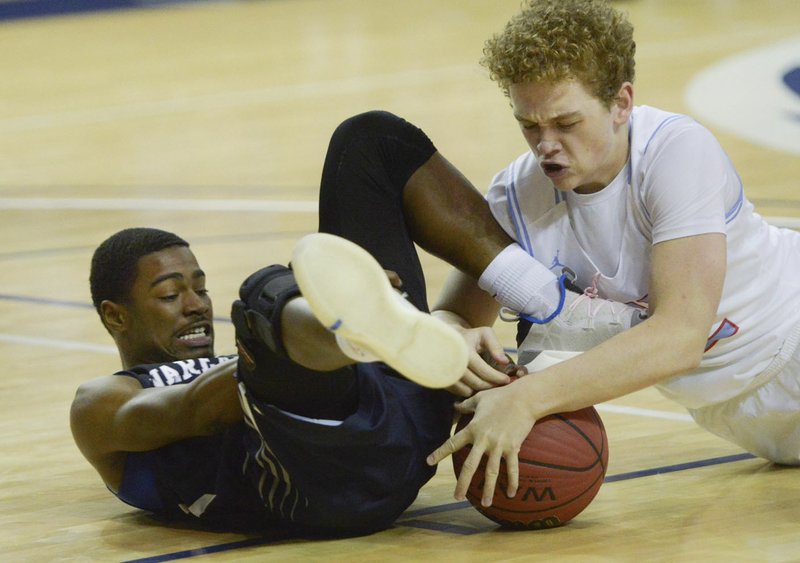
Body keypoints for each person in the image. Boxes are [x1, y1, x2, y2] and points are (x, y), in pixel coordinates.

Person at [71, 109, 587, 534]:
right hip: (312, 487)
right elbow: (192, 411)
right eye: (169, 294)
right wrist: (318, 323)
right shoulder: (102, 403)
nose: (196, 304)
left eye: (200, 288)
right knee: (262, 297)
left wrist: (481, 373)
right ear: (115, 316)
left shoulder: (263, 357)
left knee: (371, 141)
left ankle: (537, 294)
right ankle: (356, 330)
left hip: (394, 425)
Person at [426, 0, 800, 509]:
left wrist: (529, 396)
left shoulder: (674, 152)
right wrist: (455, 339)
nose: (546, 146)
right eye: (529, 125)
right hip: (737, 413)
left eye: (565, 122)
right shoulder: (516, 195)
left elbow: (681, 336)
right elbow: (453, 313)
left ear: (622, 103)